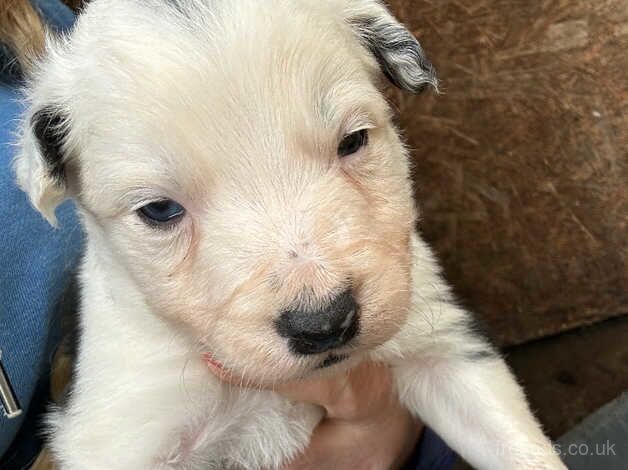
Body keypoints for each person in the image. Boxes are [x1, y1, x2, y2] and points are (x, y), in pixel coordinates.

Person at [0, 1, 458, 468]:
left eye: (351, 142)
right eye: (161, 210)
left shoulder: (71, 34)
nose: (316, 298)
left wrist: (384, 424)